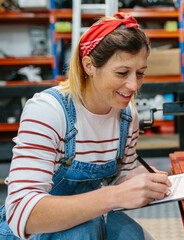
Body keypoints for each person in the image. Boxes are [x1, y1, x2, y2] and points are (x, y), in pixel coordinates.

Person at [0, 12, 172, 240]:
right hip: (34, 232)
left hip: (91, 215)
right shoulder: (48, 111)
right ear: (89, 65)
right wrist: (115, 195)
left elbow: (117, 178)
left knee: (133, 236)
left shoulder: (127, 116)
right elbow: (22, 212)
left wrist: (137, 180)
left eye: (140, 73)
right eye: (122, 73)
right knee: (84, 232)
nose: (133, 85)